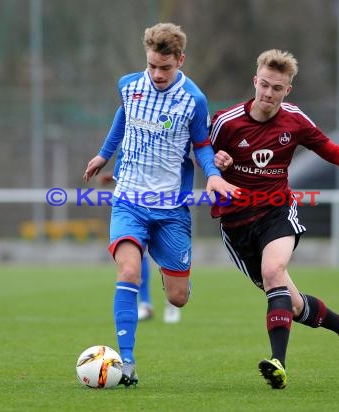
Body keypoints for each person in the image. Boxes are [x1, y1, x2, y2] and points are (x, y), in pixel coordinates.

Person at [209, 49, 339, 389]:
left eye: (277, 88)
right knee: (291, 303)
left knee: (274, 271)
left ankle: (279, 363)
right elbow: (200, 154)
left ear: (288, 89)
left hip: (277, 211)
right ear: (254, 81)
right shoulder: (226, 122)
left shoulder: (294, 119)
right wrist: (217, 163)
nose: (269, 94)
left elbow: (327, 147)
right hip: (235, 224)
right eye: (264, 85)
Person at [83, 22, 238, 387]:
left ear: (180, 60)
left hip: (171, 209)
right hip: (129, 200)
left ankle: (170, 266)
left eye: (165, 67)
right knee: (129, 273)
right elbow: (123, 117)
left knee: (178, 298)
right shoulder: (129, 85)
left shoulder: (194, 100)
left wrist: (213, 174)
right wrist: (104, 155)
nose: (157, 74)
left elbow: (201, 144)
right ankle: (128, 364)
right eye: (152, 65)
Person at [97, 172, 182, 323]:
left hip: (167, 200)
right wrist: (114, 174)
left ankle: (173, 297)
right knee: (137, 253)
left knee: (168, 255)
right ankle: (146, 304)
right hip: (136, 201)